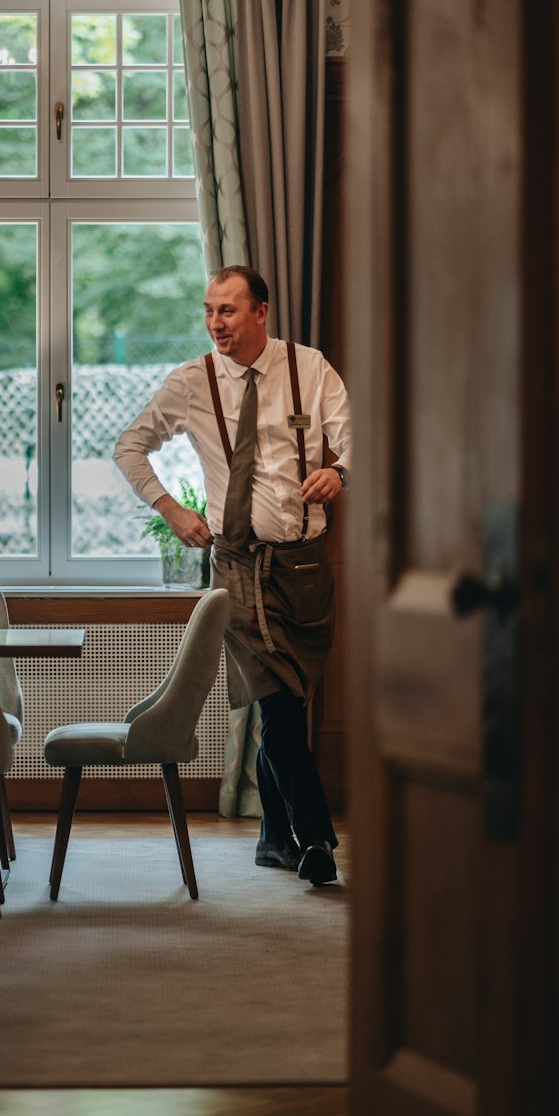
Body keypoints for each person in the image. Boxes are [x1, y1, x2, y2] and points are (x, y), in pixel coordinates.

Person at [114, 264, 351, 886]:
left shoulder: (310, 368)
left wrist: (341, 473)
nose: (216, 323)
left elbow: (358, 438)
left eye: (229, 311)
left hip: (303, 571)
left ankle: (273, 835)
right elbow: (130, 446)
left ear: (261, 313)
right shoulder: (192, 382)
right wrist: (171, 509)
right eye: (209, 310)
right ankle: (318, 840)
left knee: (290, 702)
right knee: (276, 704)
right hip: (237, 569)